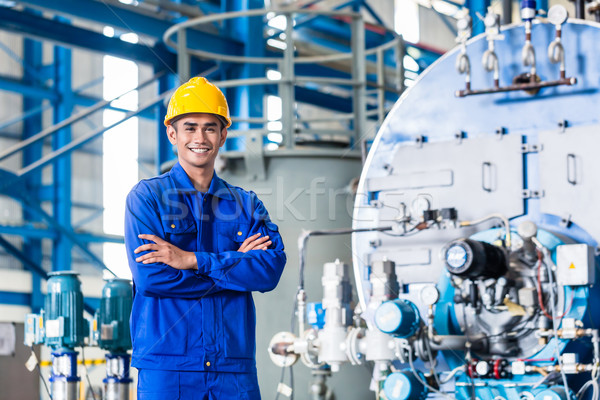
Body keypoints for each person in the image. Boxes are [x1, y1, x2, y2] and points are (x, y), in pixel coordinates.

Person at [124, 77, 286, 400]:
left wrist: (192, 260)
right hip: (168, 368)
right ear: (172, 134)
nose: (200, 137)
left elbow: (270, 270)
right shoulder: (147, 198)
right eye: (190, 127)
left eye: (210, 128)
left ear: (223, 135)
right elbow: (152, 279)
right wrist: (235, 269)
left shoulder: (245, 204)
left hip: (233, 370)